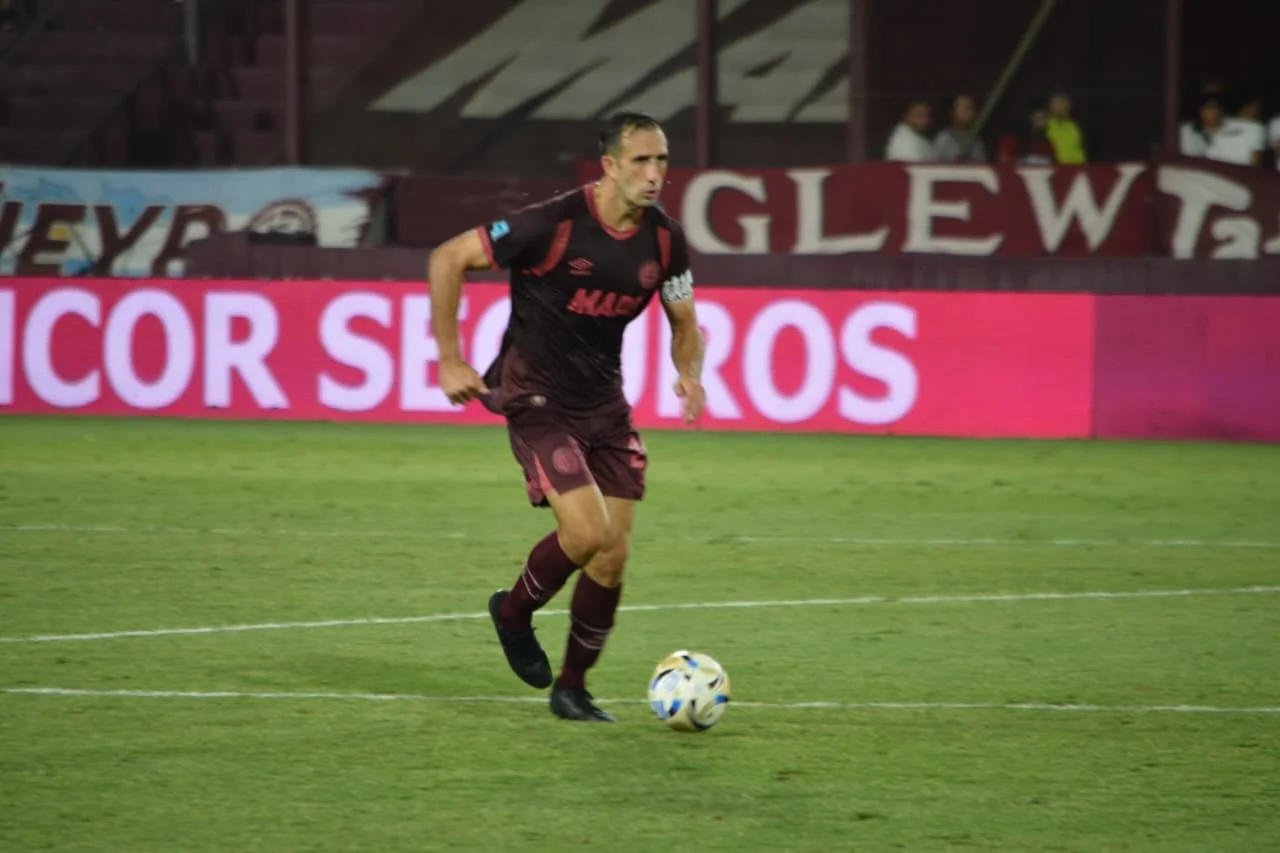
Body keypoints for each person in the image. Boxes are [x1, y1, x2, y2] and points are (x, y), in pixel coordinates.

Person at [426, 111, 706, 723]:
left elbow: (684, 320)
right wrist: (450, 359)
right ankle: (512, 612)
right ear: (609, 166)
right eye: (641, 160)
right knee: (585, 534)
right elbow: (447, 258)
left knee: (612, 554)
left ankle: (572, 689)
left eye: (662, 161)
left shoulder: (665, 240)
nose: (655, 173)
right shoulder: (551, 223)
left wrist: (690, 372)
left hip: (604, 403)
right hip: (536, 395)